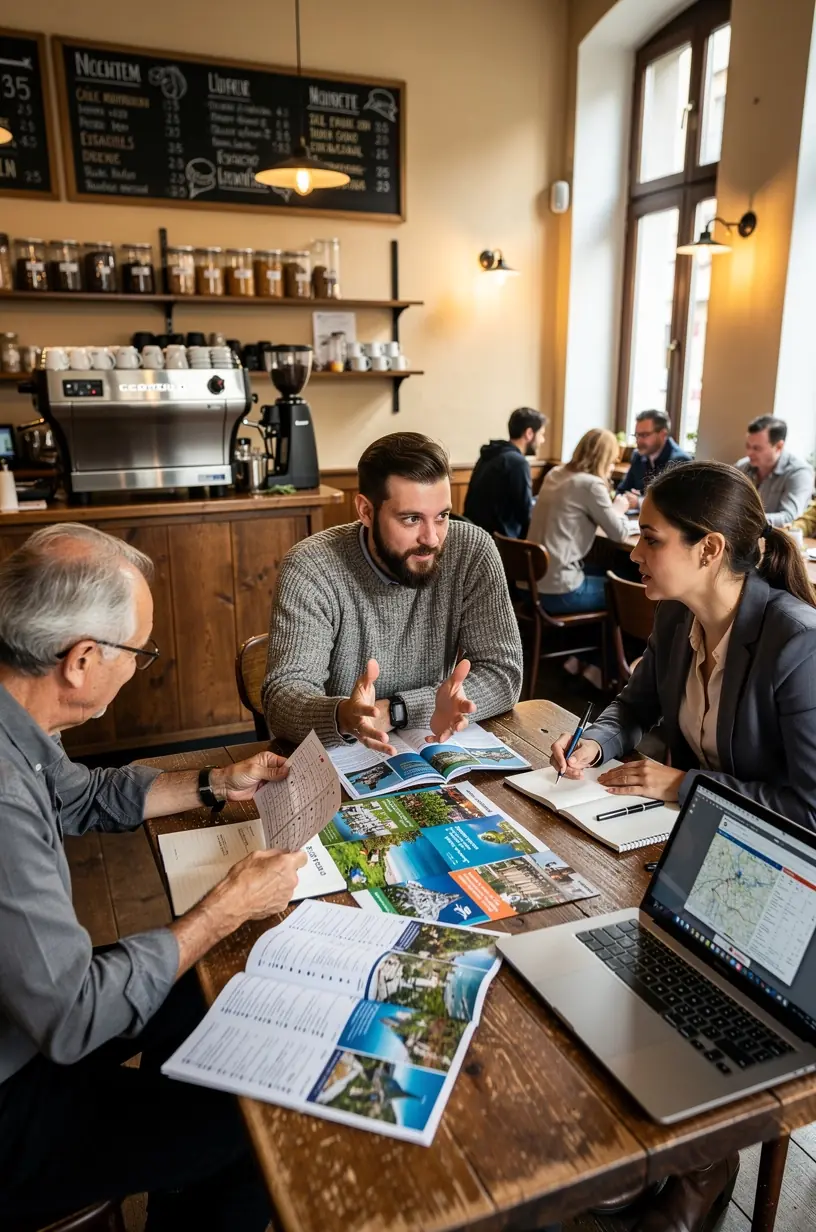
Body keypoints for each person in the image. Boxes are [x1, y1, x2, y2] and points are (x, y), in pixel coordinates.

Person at [0, 523, 306, 1231]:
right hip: (16, 1099)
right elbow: (73, 1017)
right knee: (259, 1124)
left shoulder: (18, 718)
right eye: (139, 650)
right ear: (81, 660)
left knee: (199, 996)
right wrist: (225, 906)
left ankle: (171, 1180)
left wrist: (212, 780)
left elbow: (77, 795)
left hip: (29, 1016)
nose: (141, 665)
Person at [550, 459, 816, 1232]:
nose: (634, 551)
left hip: (780, 881)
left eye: (650, 538)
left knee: (692, 993)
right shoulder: (674, 618)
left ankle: (698, 1171)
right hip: (688, 848)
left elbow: (809, 809)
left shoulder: (793, 643)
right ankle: (651, 1153)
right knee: (616, 963)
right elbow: (628, 707)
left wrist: (680, 788)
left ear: (708, 550)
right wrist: (594, 746)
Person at [263, 431, 523, 754]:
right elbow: (282, 700)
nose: (432, 538)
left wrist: (396, 710)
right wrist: (344, 715)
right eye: (412, 519)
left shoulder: (472, 550)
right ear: (366, 511)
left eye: (442, 516)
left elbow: (504, 675)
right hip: (339, 758)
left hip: (432, 748)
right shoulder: (311, 567)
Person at [528, 427, 632, 615]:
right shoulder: (590, 485)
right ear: (605, 459)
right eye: (613, 460)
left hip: (531, 585)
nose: (613, 466)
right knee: (627, 581)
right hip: (558, 593)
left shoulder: (555, 473)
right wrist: (618, 509)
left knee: (607, 569)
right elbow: (619, 534)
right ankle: (616, 645)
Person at [463, 406, 547, 538]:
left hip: (475, 536)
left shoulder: (490, 454)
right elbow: (525, 515)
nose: (543, 440)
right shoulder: (518, 463)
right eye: (541, 434)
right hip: (500, 545)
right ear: (529, 433)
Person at [734, 414, 814, 526]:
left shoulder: (799, 473)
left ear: (779, 447)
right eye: (748, 446)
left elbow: (790, 517)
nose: (749, 453)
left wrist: (746, 520)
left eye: (757, 448)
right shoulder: (742, 466)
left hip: (777, 539)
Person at [616, 409, 691, 502]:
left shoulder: (680, 460)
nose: (638, 441)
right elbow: (622, 490)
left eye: (644, 435)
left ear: (663, 434)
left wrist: (639, 502)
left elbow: (673, 503)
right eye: (637, 435)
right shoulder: (638, 456)